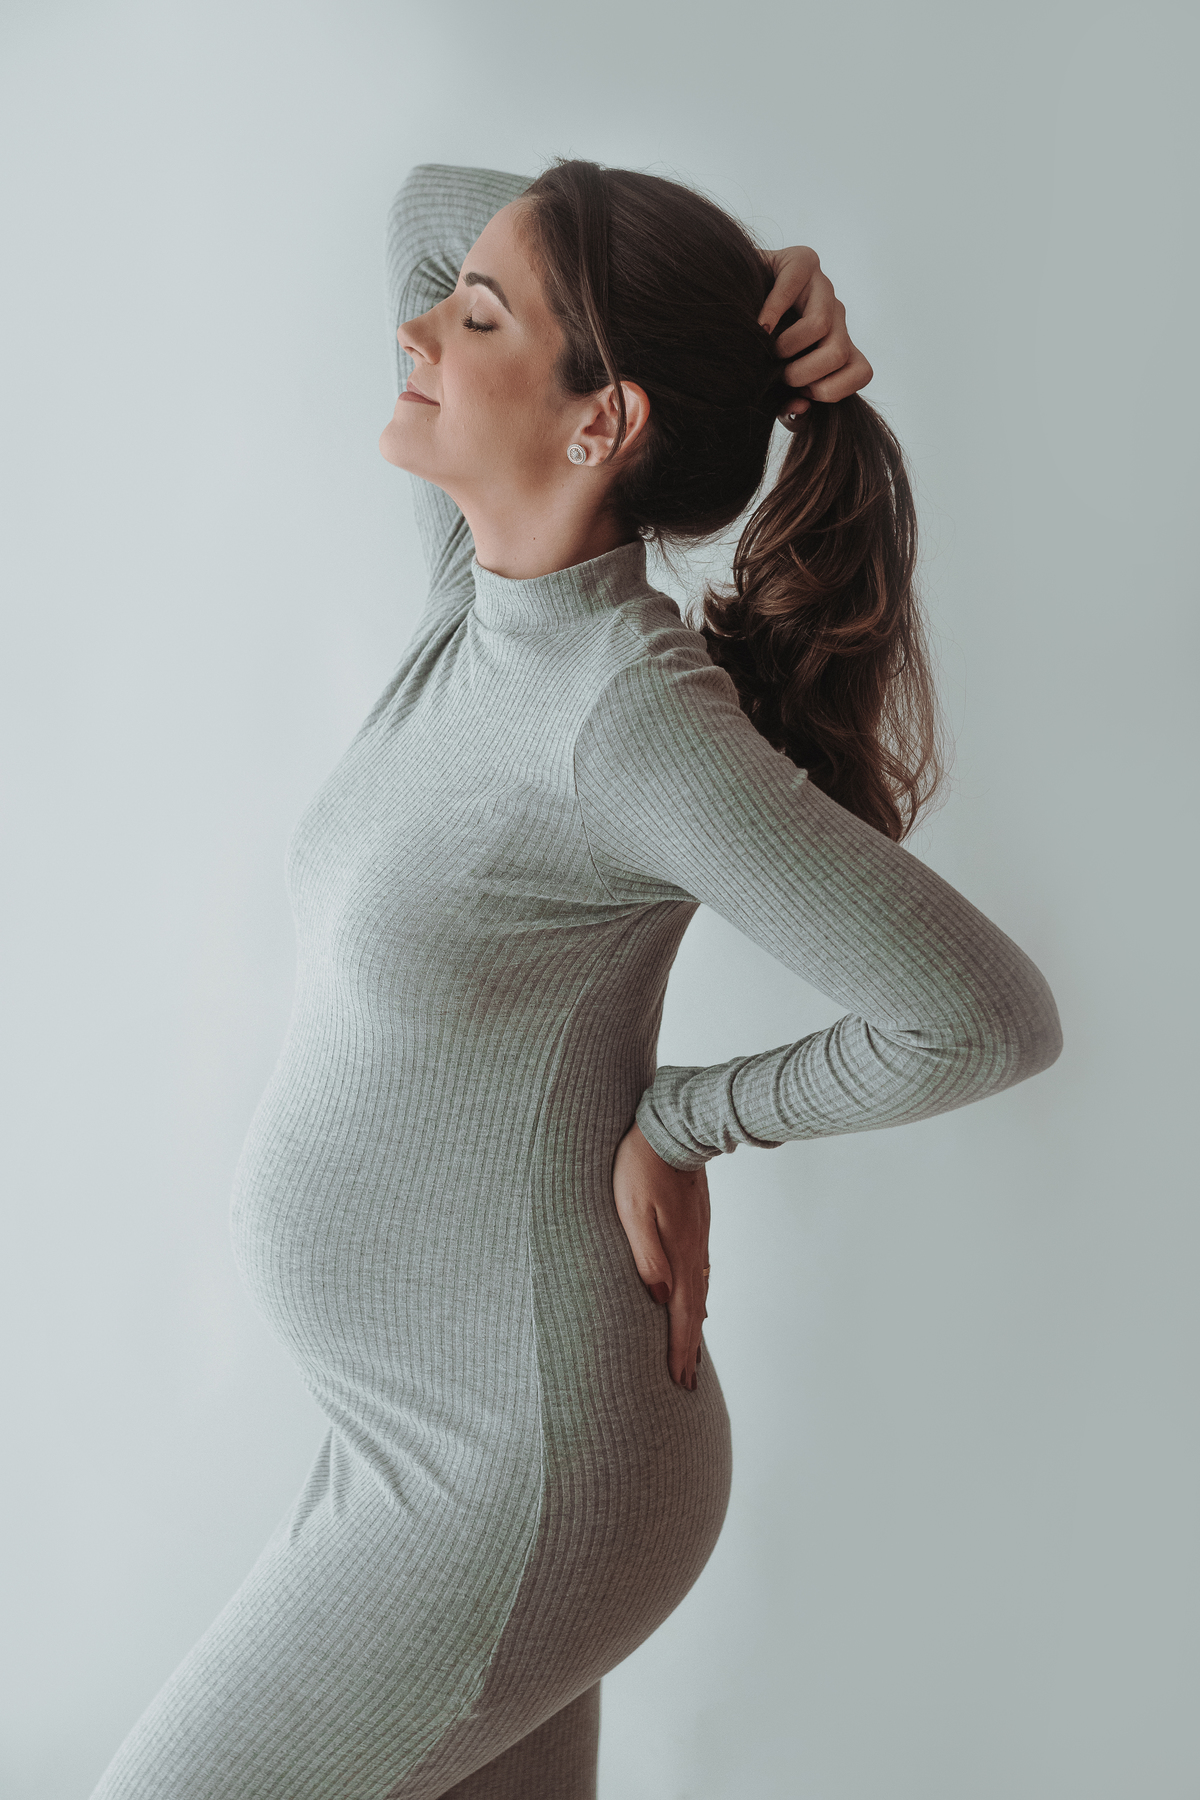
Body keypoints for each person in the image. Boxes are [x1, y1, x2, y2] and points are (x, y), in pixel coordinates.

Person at [91, 161, 1061, 1800]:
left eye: (476, 320)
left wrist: (684, 1121)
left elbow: (981, 1018)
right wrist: (752, 292)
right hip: (426, 1437)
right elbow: (426, 205)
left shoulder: (629, 718)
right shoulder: (481, 603)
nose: (418, 326)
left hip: (512, 1472)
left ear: (600, 422)